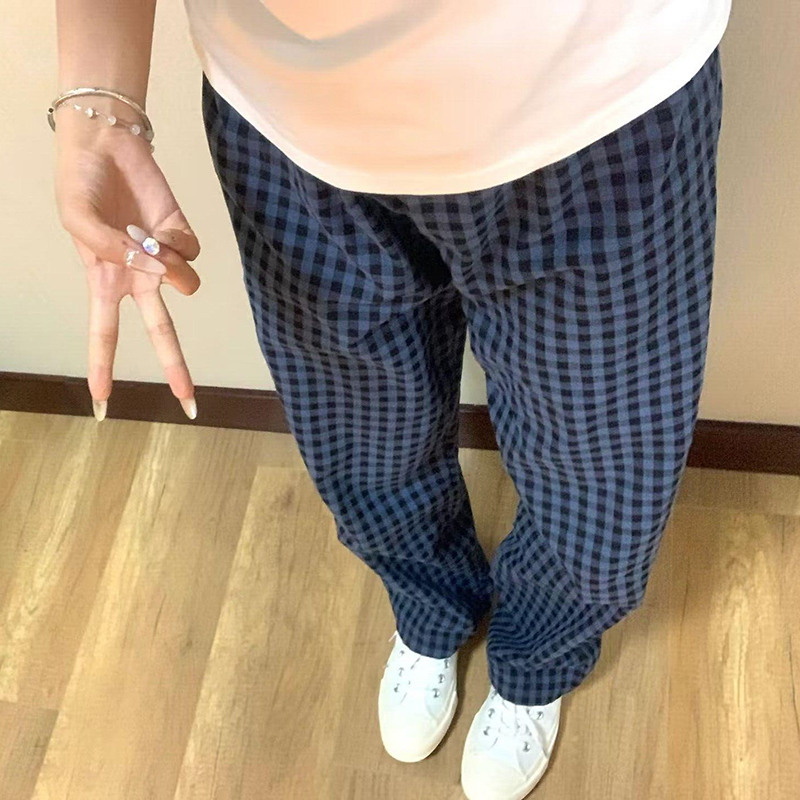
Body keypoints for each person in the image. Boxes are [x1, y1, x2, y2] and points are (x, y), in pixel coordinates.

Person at [53, 2, 730, 797]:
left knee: (603, 470)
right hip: (292, 115)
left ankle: (539, 658)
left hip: (599, 102)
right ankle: (428, 604)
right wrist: (98, 104)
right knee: (362, 432)